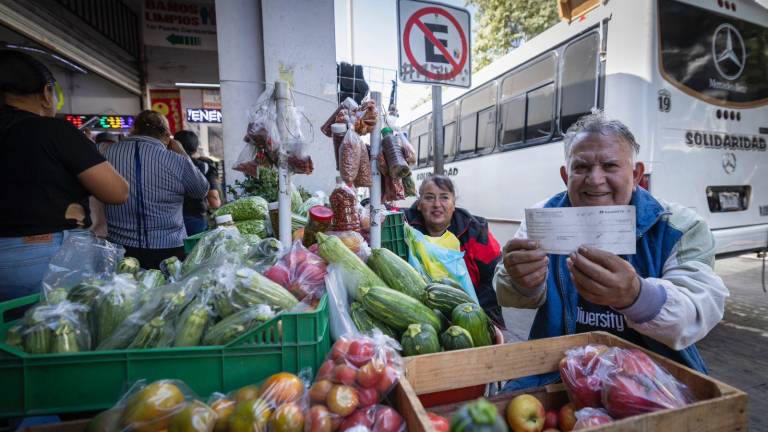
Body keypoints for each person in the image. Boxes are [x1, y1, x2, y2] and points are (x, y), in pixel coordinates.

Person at [494, 112, 728, 385]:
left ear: (636, 173)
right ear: (564, 174)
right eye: (581, 167)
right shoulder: (541, 218)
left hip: (651, 382)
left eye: (610, 166)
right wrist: (522, 282)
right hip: (556, 373)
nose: (595, 179)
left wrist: (637, 296)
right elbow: (507, 293)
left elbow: (700, 308)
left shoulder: (679, 227)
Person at [0, 50, 129, 301]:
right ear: (47, 94)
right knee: (61, 332)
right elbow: (117, 192)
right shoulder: (53, 131)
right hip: (45, 256)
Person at [104, 110, 209, 269]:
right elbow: (200, 190)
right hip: (168, 249)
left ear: (133, 130)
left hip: (118, 248)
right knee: (166, 291)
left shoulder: (106, 154)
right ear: (167, 135)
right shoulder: (176, 160)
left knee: (122, 291)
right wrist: (182, 153)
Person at [404, 175, 506, 328]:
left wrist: (487, 322)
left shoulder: (475, 231)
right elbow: (378, 210)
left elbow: (492, 281)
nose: (437, 204)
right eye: (429, 198)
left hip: (472, 315)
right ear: (419, 204)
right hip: (422, 318)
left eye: (444, 197)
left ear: (454, 203)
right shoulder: (406, 225)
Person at [174, 130, 221, 235]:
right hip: (194, 219)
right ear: (195, 149)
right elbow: (214, 201)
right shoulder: (204, 166)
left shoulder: (165, 164)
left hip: (169, 219)